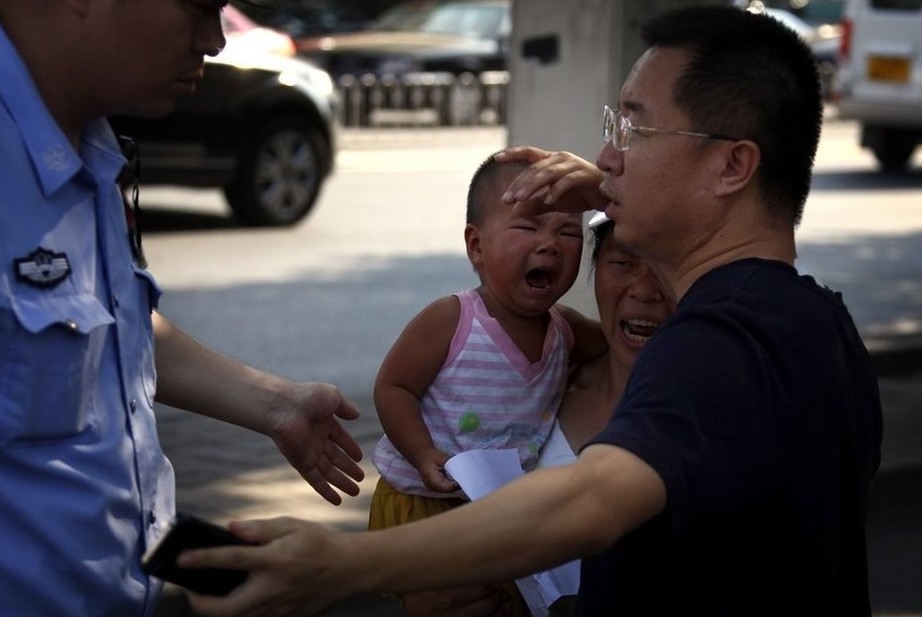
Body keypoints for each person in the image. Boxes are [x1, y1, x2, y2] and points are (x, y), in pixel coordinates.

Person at [179, 6, 883, 616]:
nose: (607, 156)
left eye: (634, 131)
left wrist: (342, 566)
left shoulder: (721, 340)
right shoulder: (816, 322)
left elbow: (590, 502)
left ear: (732, 166)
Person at [0, 2, 364, 616]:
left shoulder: (90, 145)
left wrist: (275, 404)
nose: (215, 42)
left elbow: (100, 328)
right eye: (195, 7)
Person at [369, 153, 601, 617]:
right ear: (476, 246)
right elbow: (393, 388)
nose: (550, 244)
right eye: (527, 227)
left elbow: (615, 345)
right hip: (425, 500)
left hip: (500, 507)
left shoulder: (566, 331)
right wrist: (421, 452)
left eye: (568, 232)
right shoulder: (452, 320)